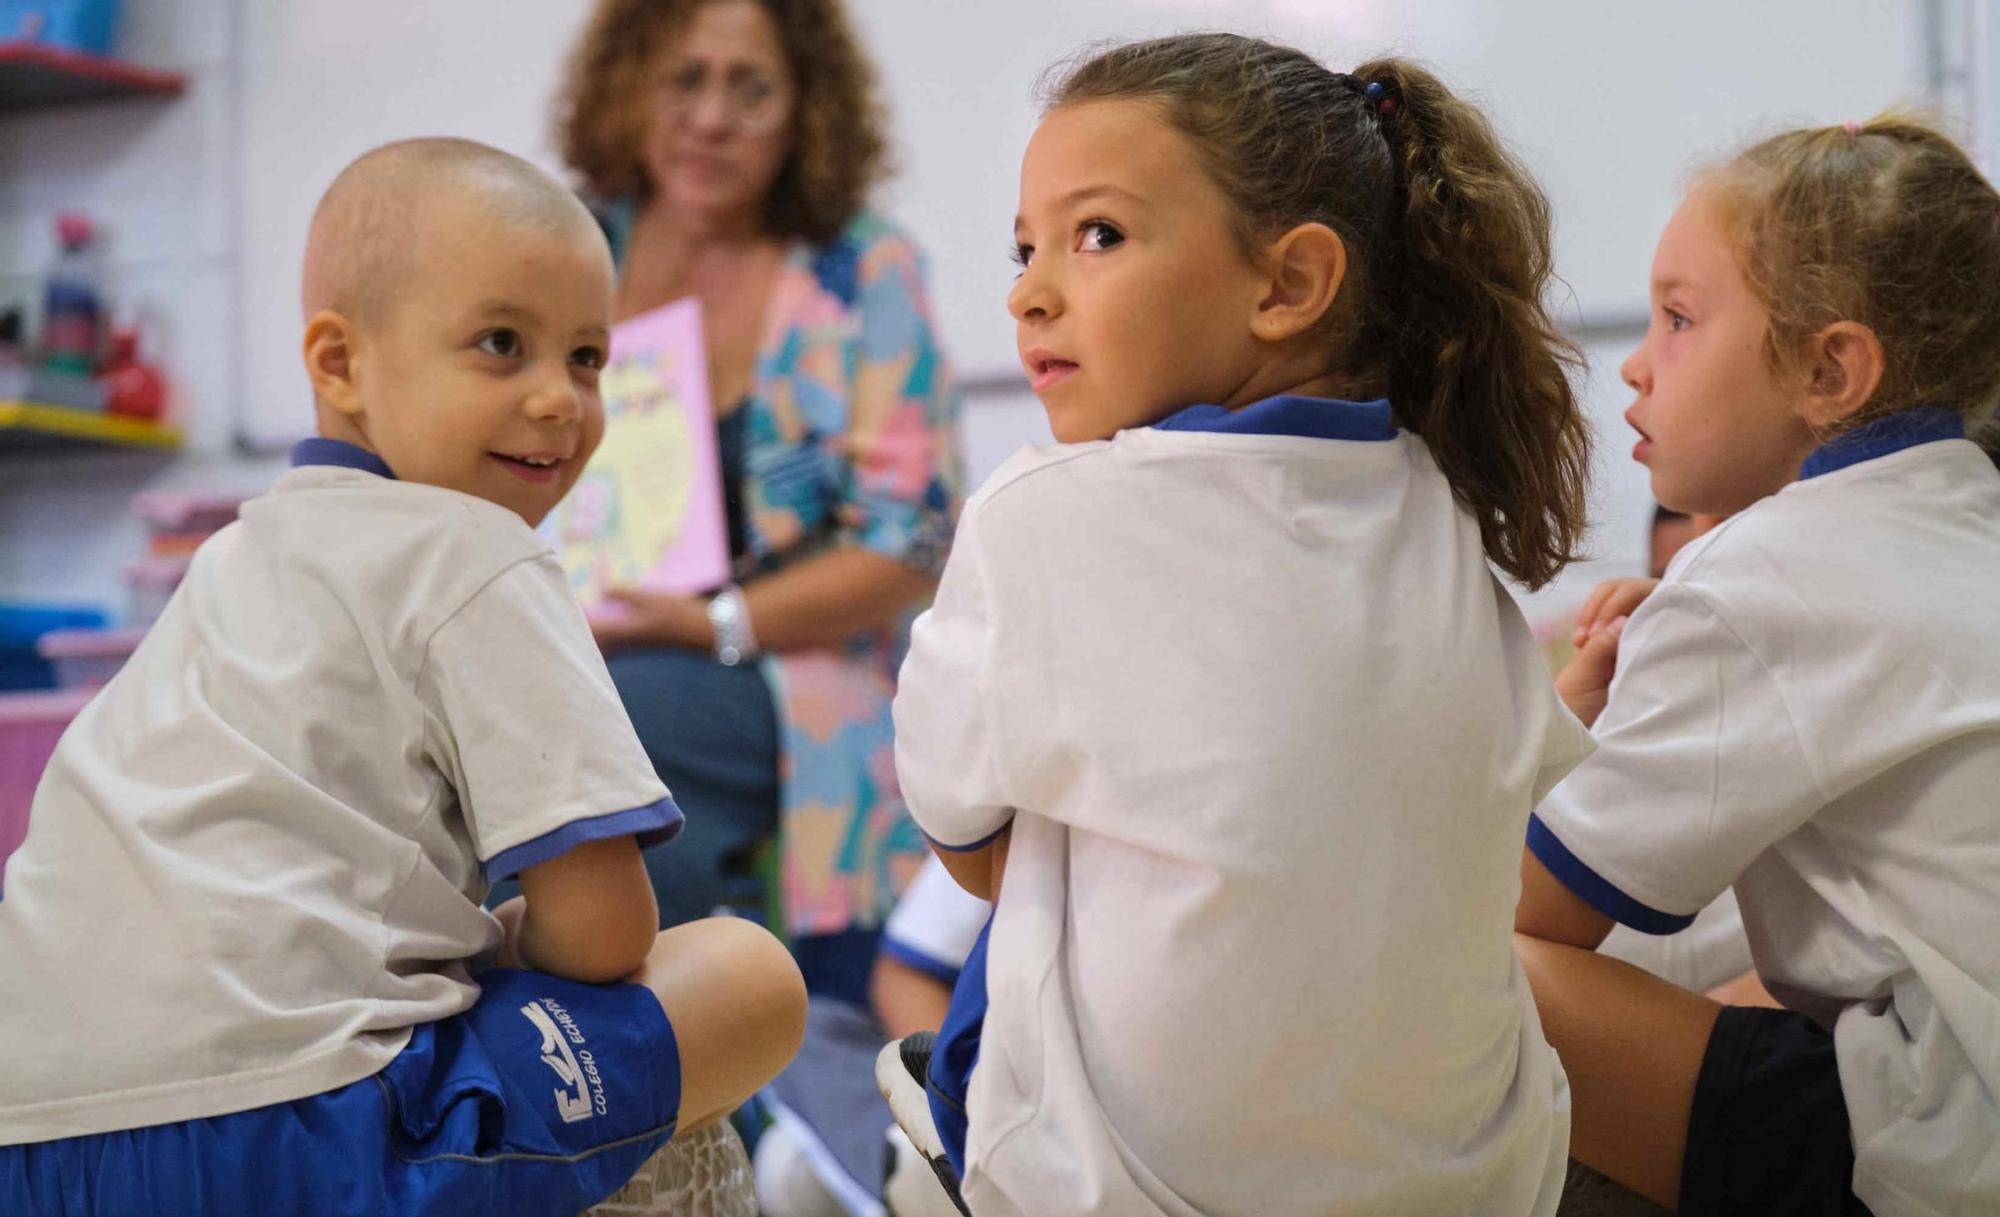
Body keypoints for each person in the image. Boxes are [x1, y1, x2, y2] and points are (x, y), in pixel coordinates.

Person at [0, 139, 806, 1217]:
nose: (559, 400)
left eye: (585, 358)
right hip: (291, 1139)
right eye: (502, 345)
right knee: (748, 973)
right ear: (339, 364)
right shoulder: (478, 550)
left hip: (33, 1144)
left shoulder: (234, 556)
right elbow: (604, 934)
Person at [884, 34, 1596, 1217]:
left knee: (1028, 872)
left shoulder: (1038, 515)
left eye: (1094, 235)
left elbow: (960, 840)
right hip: (1479, 1176)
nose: (1027, 290)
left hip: (1129, 1185)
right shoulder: (1434, 500)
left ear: (1287, 283)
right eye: (1023, 248)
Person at [1516, 117, 2000, 1215]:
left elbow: (1531, 914)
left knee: (1464, 983)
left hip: (1951, 1137)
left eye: (1679, 319)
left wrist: (1552, 726)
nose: (1635, 362)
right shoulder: (1967, 510)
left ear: (1829, 368)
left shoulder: (1754, 573)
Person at [546, 0, 963, 997]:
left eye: (751, 87)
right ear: (628, 85)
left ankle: (659, 1085)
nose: (711, 117)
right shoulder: (564, 250)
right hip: (567, 639)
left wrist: (709, 624)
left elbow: (909, 540)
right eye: (684, 78)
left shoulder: (863, 268)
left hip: (792, 665)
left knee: (623, 729)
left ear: (806, 113)